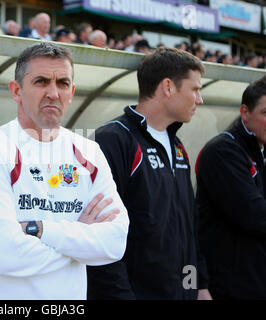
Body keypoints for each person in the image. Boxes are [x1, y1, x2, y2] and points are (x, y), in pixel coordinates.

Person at [0, 42, 129, 300]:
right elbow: (5, 255)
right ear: (16, 90)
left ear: (71, 92)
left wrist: (40, 229)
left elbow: (115, 243)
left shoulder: (89, 152)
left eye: (62, 83)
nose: (53, 93)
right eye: (41, 81)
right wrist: (80, 239)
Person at [88, 47, 211, 300]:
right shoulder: (113, 140)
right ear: (168, 87)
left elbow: (188, 227)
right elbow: (100, 238)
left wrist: (197, 287)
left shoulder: (176, 146)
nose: (199, 99)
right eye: (195, 89)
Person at [195, 76, 266, 299]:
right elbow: (253, 214)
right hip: (229, 285)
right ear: (245, 113)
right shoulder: (223, 151)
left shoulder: (261, 148)